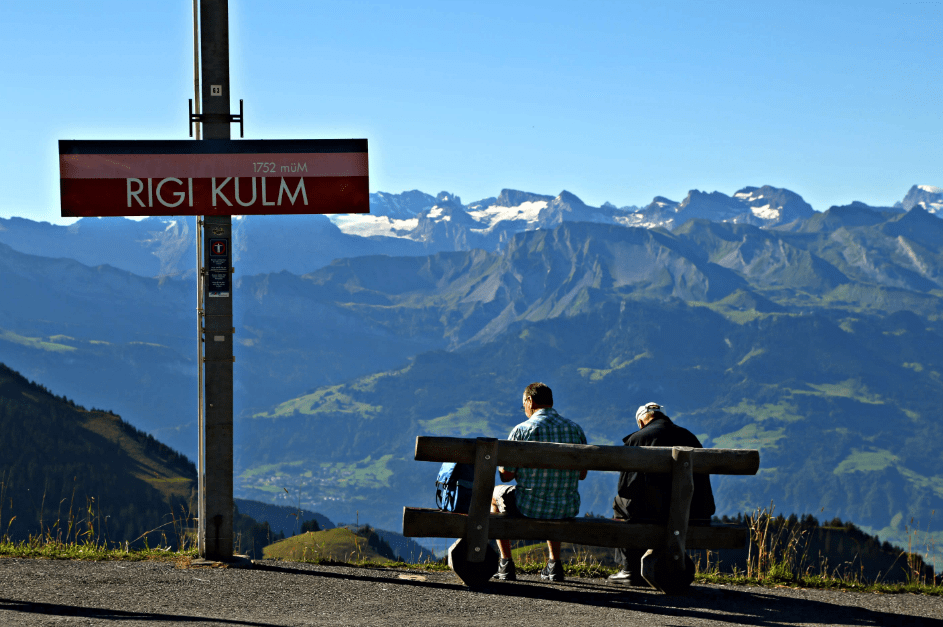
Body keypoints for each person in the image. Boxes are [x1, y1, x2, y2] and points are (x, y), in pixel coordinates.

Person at [609, 402, 715, 585]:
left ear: (642, 422)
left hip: (650, 513)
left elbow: (625, 488)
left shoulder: (637, 439)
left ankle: (629, 569)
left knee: (620, 502)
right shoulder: (690, 437)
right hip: (691, 514)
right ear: (664, 417)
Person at [491, 382, 587, 583]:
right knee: (555, 491)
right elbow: (582, 474)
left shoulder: (521, 431)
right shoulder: (574, 429)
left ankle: (506, 562)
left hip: (529, 506)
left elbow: (506, 476)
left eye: (523, 404)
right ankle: (554, 564)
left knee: (495, 494)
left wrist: (506, 466)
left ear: (530, 401)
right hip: (566, 506)